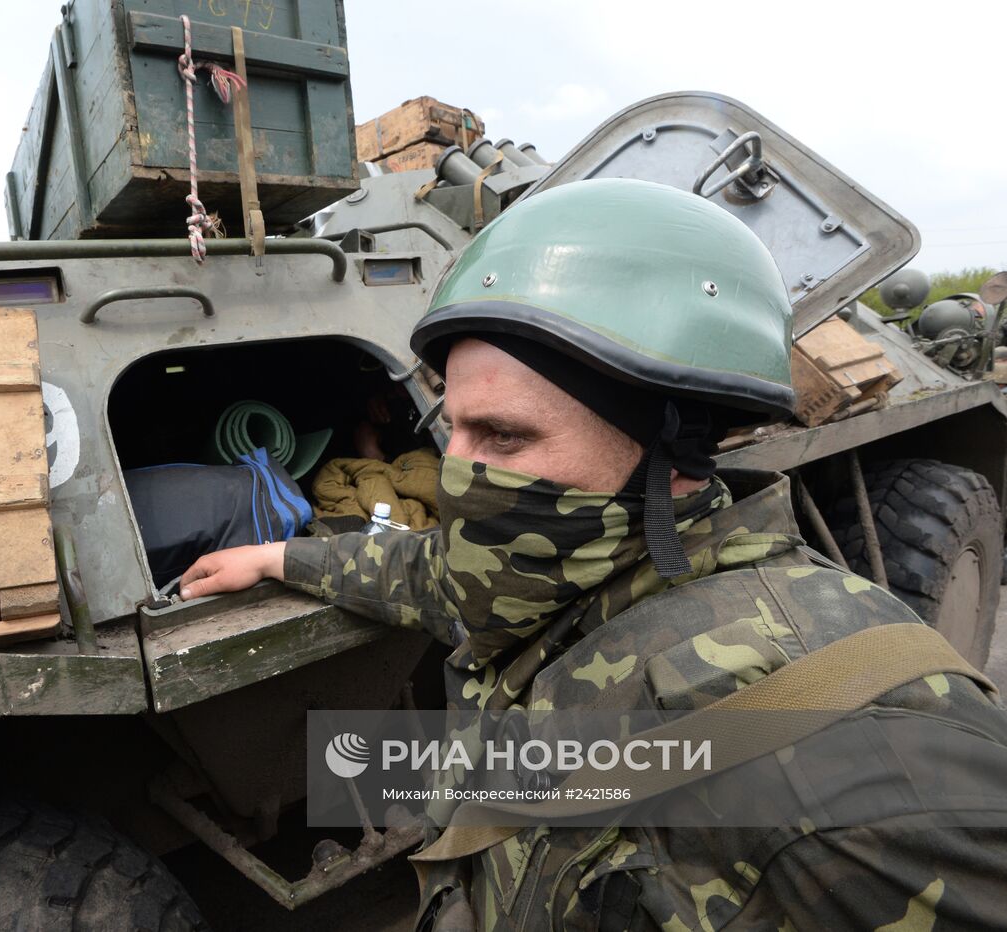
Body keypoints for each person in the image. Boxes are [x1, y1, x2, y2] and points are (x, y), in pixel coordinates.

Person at [179, 179, 1007, 929]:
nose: (461, 474)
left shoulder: (844, 750)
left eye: (504, 435)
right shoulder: (554, 565)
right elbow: (433, 574)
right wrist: (280, 559)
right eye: (452, 430)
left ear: (672, 446)